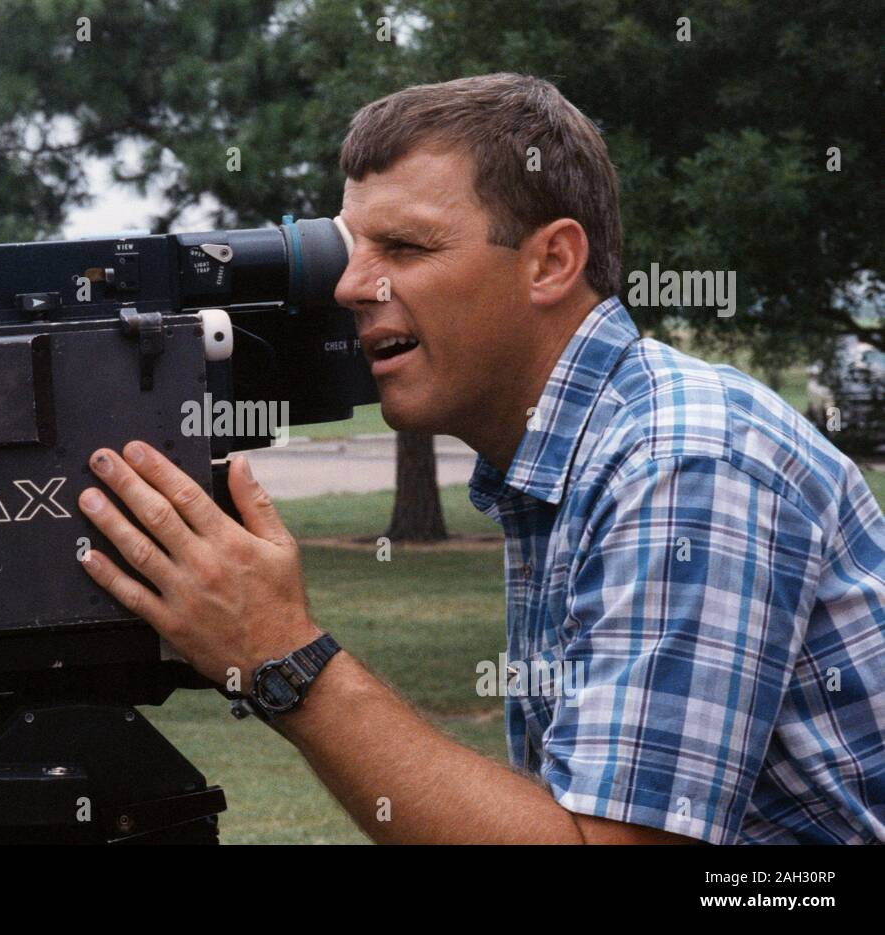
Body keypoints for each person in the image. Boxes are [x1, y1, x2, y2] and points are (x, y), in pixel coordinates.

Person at [73, 74, 885, 844]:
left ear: (551, 262)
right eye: (353, 248)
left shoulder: (680, 461)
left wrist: (281, 653)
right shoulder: (570, 459)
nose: (352, 285)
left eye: (405, 247)